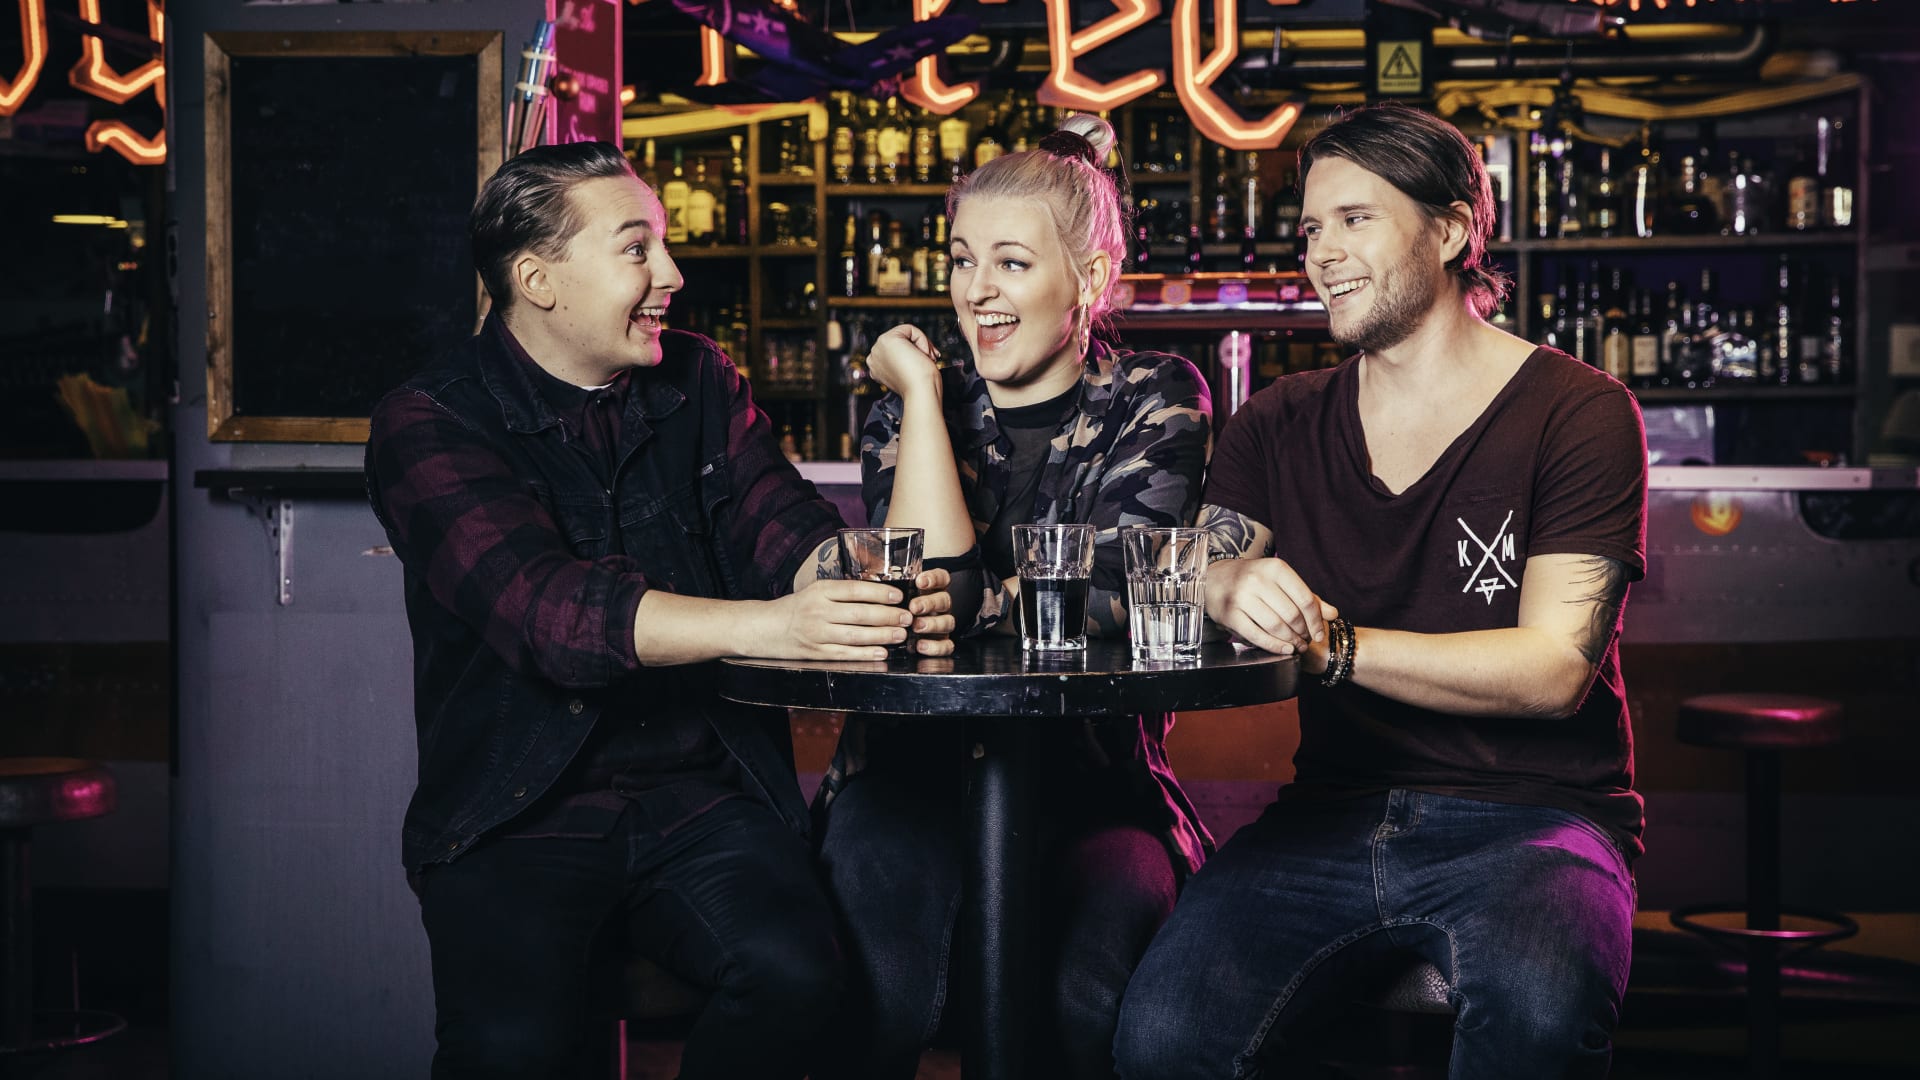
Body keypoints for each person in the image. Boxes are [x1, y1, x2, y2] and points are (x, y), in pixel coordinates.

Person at [363, 140, 955, 1079]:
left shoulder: (699, 379)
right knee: (512, 1051)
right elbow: (550, 614)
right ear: (538, 280)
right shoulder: (430, 419)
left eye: (664, 244)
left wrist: (854, 581)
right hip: (518, 809)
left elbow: (784, 528)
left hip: (701, 792)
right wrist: (776, 626)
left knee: (800, 980)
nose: (672, 275)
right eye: (637, 249)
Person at [1114, 102, 1647, 1079]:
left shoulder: (1580, 412)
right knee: (1160, 1037)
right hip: (1332, 809)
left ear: (1450, 230)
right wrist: (1221, 581)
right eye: (1311, 228)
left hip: (1538, 820)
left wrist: (1336, 646)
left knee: (1535, 1017)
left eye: (1356, 219)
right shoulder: (1278, 421)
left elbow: (1552, 672)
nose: (1321, 253)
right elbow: (1171, 571)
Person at [812, 113, 1214, 1080]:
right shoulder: (908, 411)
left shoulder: (1156, 398)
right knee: (884, 988)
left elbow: (1113, 598)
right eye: (962, 260)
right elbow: (924, 592)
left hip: (1096, 787)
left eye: (1011, 264)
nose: (976, 291)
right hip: (905, 778)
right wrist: (919, 396)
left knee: (1089, 998)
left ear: (1090, 278)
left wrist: (978, 603)